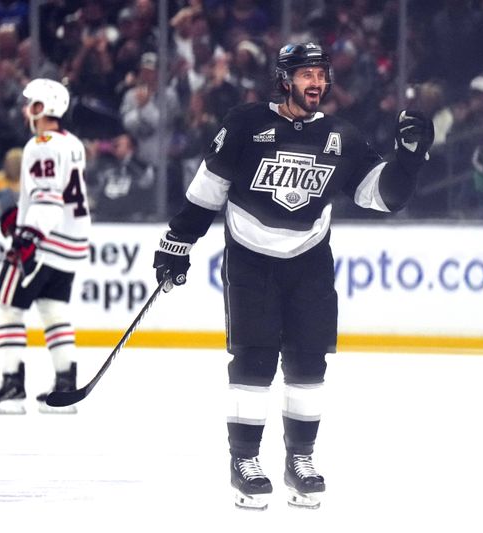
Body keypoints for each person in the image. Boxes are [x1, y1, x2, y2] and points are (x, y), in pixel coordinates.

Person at [152, 42, 434, 510]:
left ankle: (299, 460)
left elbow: (384, 198)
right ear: (284, 79)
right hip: (251, 259)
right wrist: (177, 242)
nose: (317, 83)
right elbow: (207, 190)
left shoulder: (341, 135)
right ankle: (244, 461)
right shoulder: (245, 123)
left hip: (309, 262)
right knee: (254, 362)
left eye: (321, 75)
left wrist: (408, 159)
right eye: (307, 75)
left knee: (308, 363)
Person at [0, 78, 91, 415]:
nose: (26, 109)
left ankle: (12, 386)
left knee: (9, 306)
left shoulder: (40, 144)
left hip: (46, 242)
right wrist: (21, 215)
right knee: (53, 308)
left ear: (45, 108)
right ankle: (64, 384)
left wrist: (26, 236)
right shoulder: (72, 143)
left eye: (32, 103)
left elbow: (47, 199)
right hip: (72, 242)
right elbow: (55, 193)